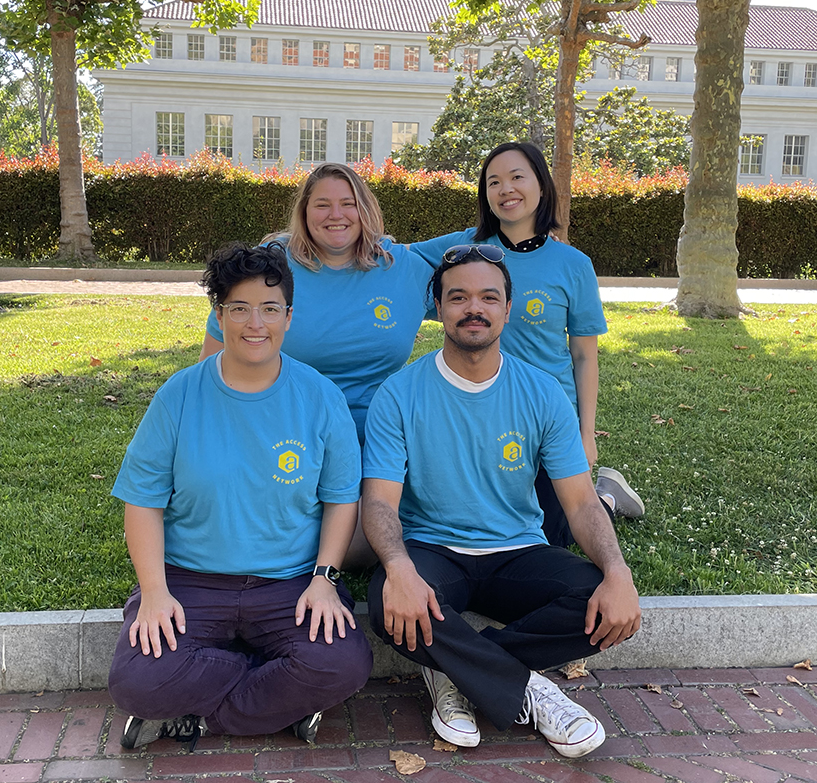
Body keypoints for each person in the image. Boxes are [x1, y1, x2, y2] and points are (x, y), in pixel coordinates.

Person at [361, 245, 641, 757]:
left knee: (599, 598)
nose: (475, 308)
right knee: (388, 600)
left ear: (507, 309)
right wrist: (398, 565)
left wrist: (618, 572)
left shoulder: (541, 392)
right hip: (434, 551)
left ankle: (456, 672)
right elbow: (378, 502)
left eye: (489, 297)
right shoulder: (399, 393)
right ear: (438, 307)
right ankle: (531, 688)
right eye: (459, 297)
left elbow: (580, 504)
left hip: (517, 551)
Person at [109, 242, 372, 751]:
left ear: (289, 317)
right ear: (219, 315)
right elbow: (142, 501)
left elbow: (342, 499)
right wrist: (156, 592)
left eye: (270, 308)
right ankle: (275, 690)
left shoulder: (320, 396)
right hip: (192, 582)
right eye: (240, 308)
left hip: (290, 584)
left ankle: (198, 718)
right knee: (135, 681)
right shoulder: (179, 395)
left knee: (343, 664)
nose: (256, 323)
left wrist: (324, 579)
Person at [409, 142, 644, 548]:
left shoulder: (573, 265)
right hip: (474, 411)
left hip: (545, 418)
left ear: (541, 184)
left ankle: (605, 493)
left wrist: (585, 434)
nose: (506, 189)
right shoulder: (465, 250)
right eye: (493, 182)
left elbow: (584, 356)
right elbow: (393, 259)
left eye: (517, 177)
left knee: (554, 534)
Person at [199, 163, 433, 448]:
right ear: (304, 212)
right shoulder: (269, 266)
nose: (336, 215)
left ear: (366, 210)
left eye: (349, 204)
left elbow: (475, 307)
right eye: (322, 205)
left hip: (380, 440)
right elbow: (211, 367)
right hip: (282, 435)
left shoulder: (404, 267)